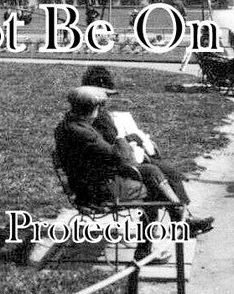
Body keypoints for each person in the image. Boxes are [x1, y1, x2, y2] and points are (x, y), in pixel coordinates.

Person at [55, 86, 209, 261]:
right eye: (99, 107)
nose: (100, 111)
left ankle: (182, 218)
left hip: (94, 181)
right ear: (91, 109)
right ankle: (147, 250)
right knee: (153, 189)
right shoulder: (82, 132)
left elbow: (106, 156)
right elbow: (119, 156)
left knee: (162, 169)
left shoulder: (72, 125)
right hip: (98, 190)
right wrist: (120, 135)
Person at [77, 66, 215, 233]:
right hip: (111, 175)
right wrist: (129, 144)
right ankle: (179, 222)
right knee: (154, 177)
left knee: (165, 169)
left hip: (112, 168)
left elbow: (110, 145)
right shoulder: (98, 120)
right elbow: (114, 151)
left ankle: (184, 218)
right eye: (105, 96)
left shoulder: (94, 117)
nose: (106, 100)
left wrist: (128, 142)